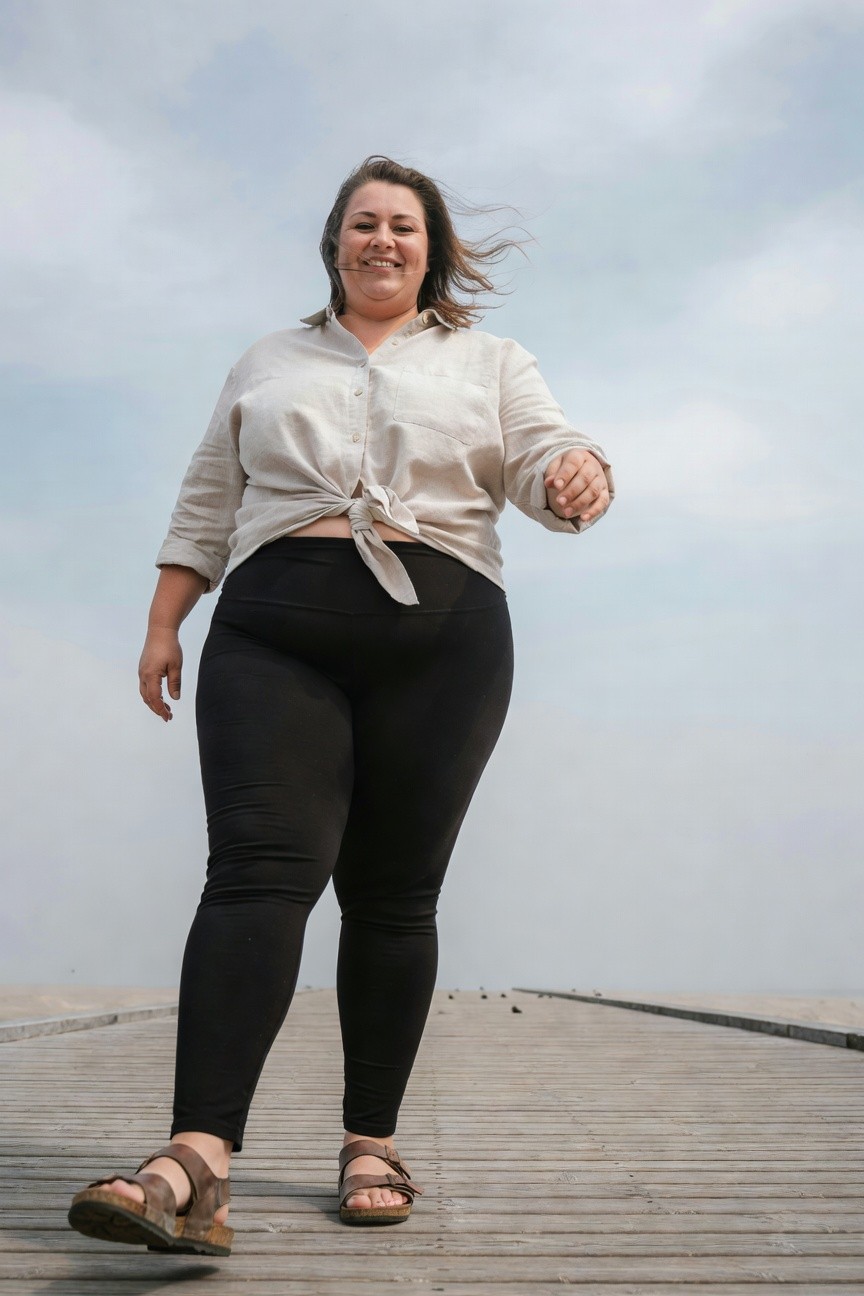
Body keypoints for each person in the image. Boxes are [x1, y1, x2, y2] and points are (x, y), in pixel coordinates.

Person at [68, 156, 614, 1256]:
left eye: (403, 226)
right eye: (363, 223)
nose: (383, 240)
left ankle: (371, 1141)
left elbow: (540, 453)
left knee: (394, 896)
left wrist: (576, 470)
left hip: (442, 644)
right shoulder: (269, 360)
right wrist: (165, 623)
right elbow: (208, 496)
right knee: (258, 872)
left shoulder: (492, 360)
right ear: (334, 244)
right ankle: (197, 1160)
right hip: (273, 632)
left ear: (431, 248)